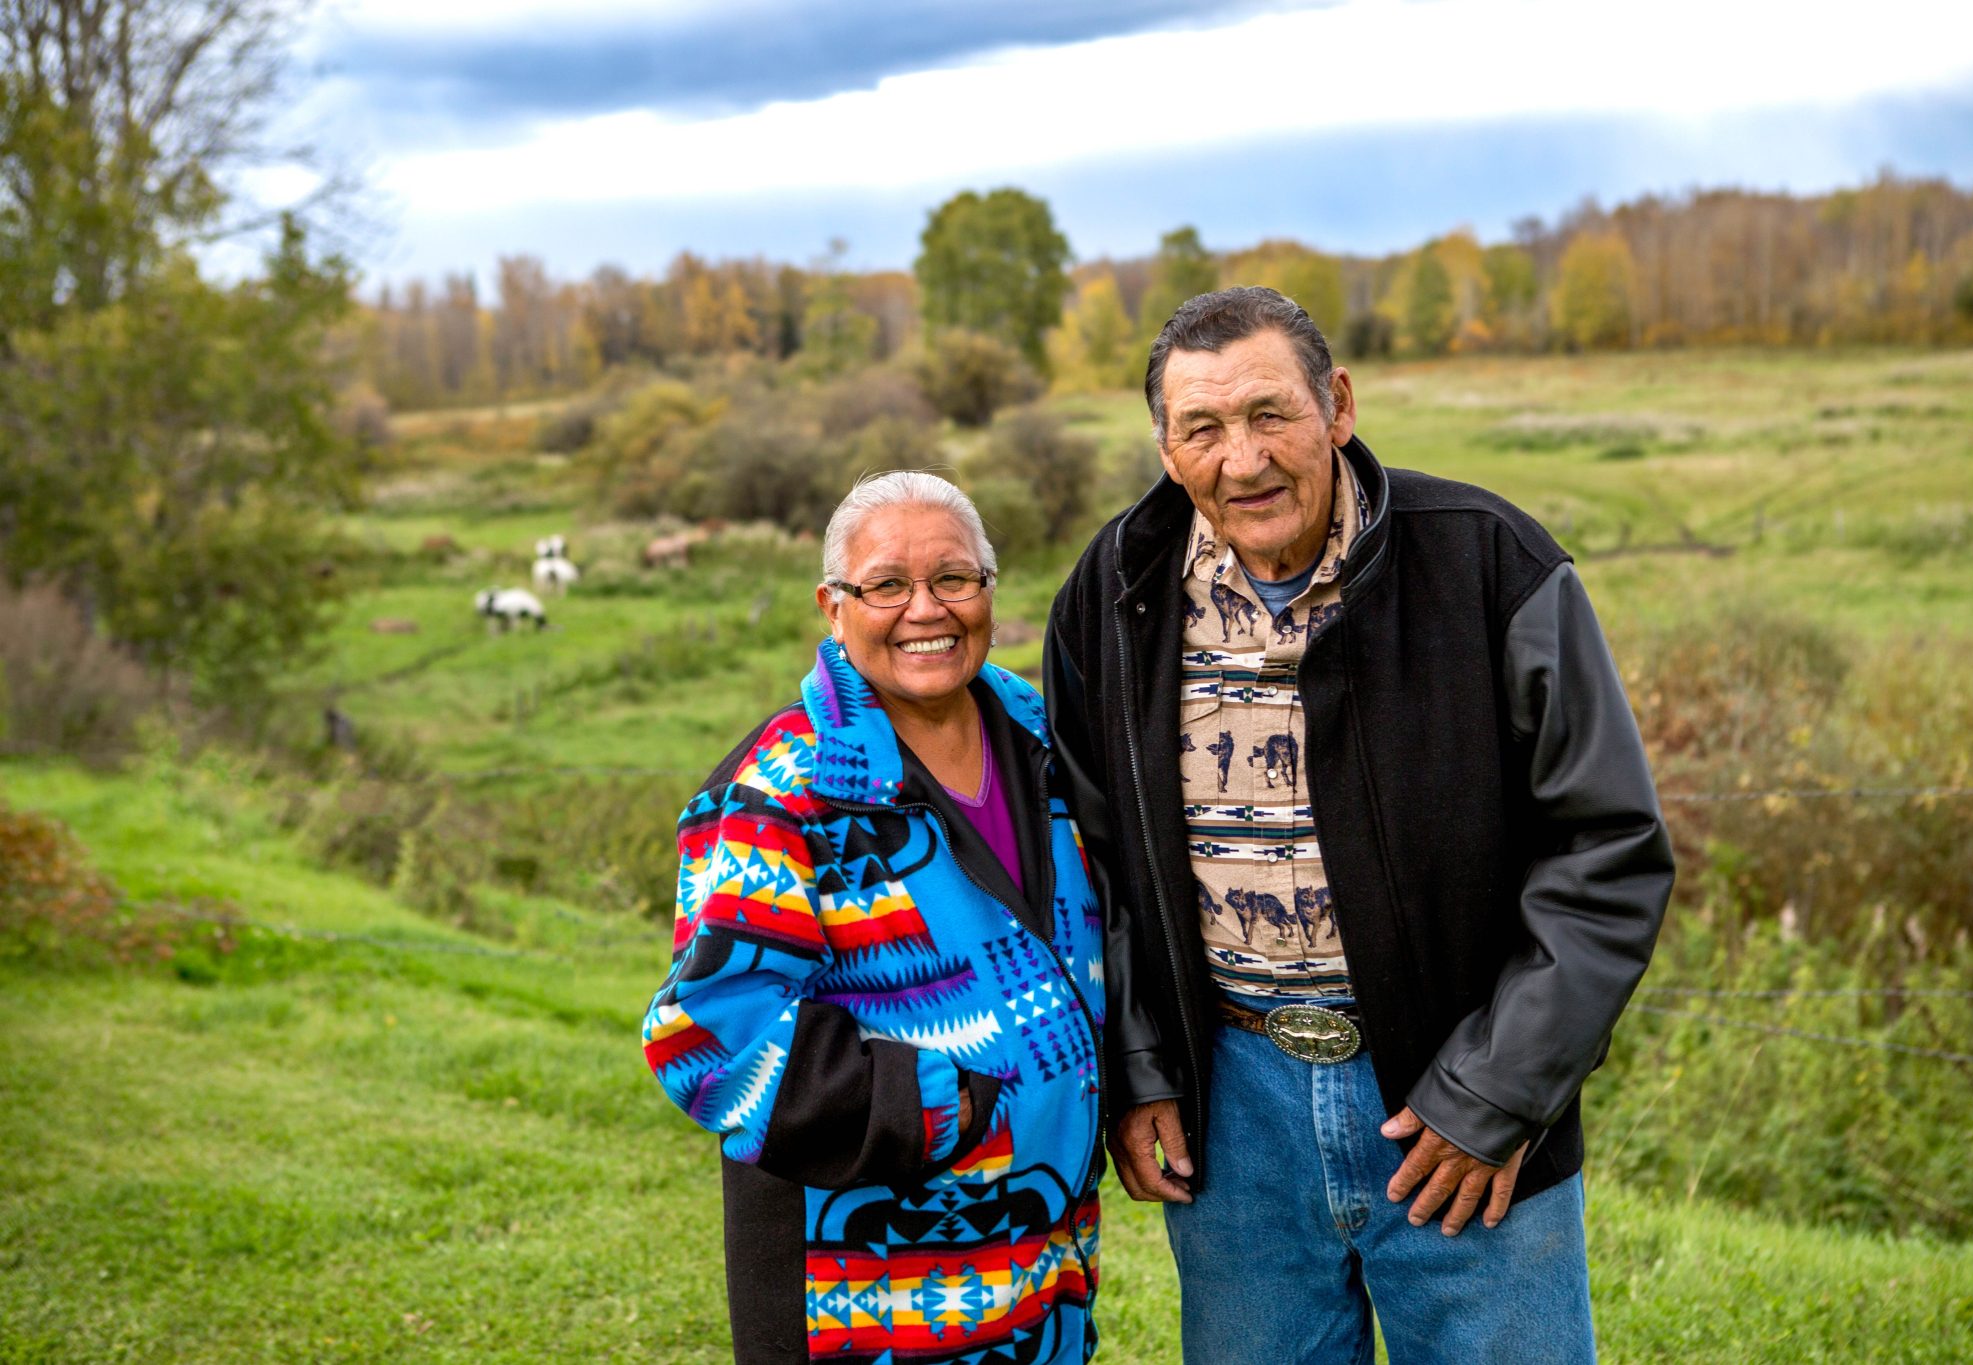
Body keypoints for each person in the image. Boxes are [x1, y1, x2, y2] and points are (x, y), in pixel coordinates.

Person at [1044, 287, 1674, 1364]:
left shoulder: (1488, 562)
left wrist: (1494, 1092)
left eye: (1269, 414)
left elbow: (1607, 852)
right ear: (1165, 448)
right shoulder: (1113, 592)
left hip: (1454, 1102)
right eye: (1202, 428)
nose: (1242, 459)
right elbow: (1093, 864)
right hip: (1232, 1117)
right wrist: (1143, 1066)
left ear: (1336, 405)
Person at [643, 472, 1106, 1365]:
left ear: (989, 589)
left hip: (1045, 1270)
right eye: (887, 584)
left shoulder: (1042, 741)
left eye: (954, 578)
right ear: (834, 607)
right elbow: (708, 1035)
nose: (926, 609)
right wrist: (950, 1110)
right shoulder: (782, 787)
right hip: (863, 1295)